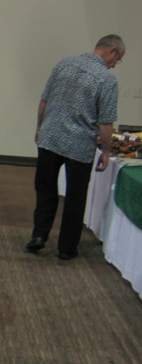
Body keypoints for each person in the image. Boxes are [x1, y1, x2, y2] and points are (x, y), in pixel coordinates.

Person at [25, 35, 124, 260]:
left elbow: (44, 100)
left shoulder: (64, 64)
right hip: (79, 145)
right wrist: (107, 151)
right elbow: (105, 122)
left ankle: (39, 236)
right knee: (75, 197)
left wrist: (40, 128)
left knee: (45, 190)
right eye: (117, 60)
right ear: (112, 52)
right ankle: (66, 248)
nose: (114, 65)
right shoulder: (107, 80)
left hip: (50, 138)